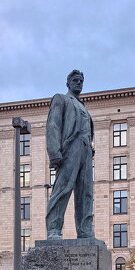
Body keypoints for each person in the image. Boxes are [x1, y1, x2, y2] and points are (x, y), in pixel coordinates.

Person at [45, 70, 95, 239]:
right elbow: (53, 124)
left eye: (81, 80)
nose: (78, 83)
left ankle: (85, 230)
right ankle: (53, 229)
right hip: (70, 147)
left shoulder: (83, 106)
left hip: (86, 149)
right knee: (63, 188)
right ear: (68, 83)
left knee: (85, 191)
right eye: (75, 80)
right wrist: (54, 152)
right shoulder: (61, 99)